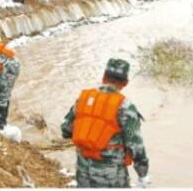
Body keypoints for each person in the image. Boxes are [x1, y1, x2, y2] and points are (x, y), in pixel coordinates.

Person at [61, 58, 149, 188]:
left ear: (103, 77)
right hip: (112, 178)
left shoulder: (84, 98)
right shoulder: (125, 107)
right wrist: (143, 174)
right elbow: (135, 146)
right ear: (125, 83)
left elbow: (66, 130)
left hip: (83, 172)